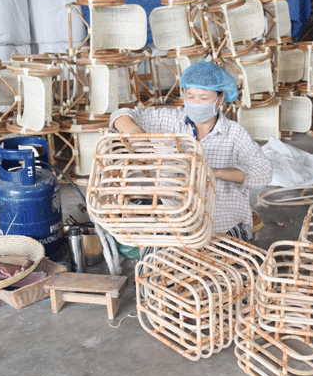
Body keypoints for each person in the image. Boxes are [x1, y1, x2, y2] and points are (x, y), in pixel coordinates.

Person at [108, 61, 272, 244]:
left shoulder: (234, 134)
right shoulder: (170, 121)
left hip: (222, 221)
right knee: (158, 267)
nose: (195, 103)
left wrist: (215, 172)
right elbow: (120, 115)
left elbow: (263, 174)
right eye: (190, 96)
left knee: (221, 268)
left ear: (220, 97)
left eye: (203, 98)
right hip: (176, 221)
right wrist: (137, 135)